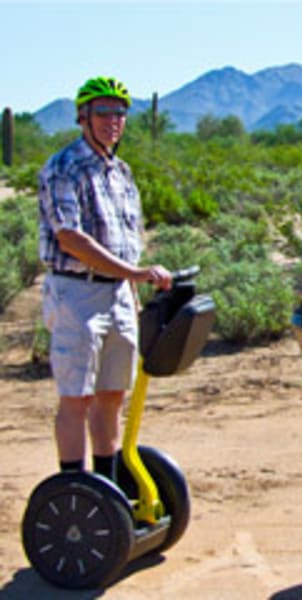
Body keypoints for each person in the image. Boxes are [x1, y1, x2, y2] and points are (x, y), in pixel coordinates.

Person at [38, 76, 172, 482]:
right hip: (76, 293)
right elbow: (70, 237)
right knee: (76, 397)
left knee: (111, 396)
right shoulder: (64, 166)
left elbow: (129, 237)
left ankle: (107, 489)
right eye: (103, 112)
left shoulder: (121, 172)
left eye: (119, 112)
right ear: (83, 118)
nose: (113, 120)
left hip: (117, 294)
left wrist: (129, 286)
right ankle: (76, 493)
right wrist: (132, 272)